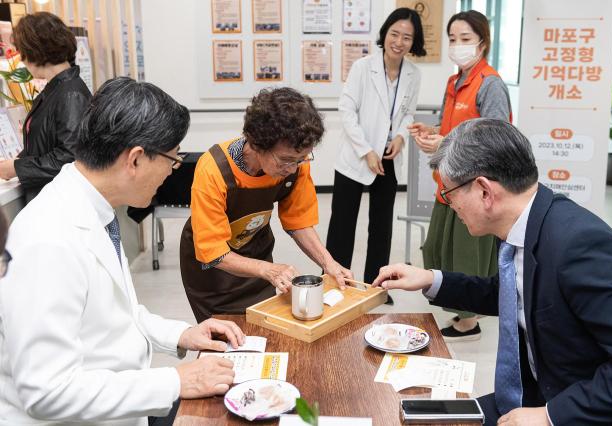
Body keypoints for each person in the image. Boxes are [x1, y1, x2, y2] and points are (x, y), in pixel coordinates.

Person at [0, 77, 246, 425]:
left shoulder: (95, 211)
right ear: (135, 160)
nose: (171, 172)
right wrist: (175, 380)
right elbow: (47, 391)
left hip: (121, 406)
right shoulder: (48, 240)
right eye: (172, 161)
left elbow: (116, 314)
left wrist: (179, 334)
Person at [374, 118, 612, 425]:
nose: (450, 205)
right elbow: (510, 293)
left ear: (485, 191)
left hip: (575, 409)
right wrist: (431, 279)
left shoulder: (579, 245)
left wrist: (550, 416)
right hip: (530, 399)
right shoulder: (526, 226)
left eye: (449, 194)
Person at [180, 87, 351, 320]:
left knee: (262, 327)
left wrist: (329, 263)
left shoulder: (296, 165)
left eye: (301, 159)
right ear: (257, 144)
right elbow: (212, 252)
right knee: (227, 336)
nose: (292, 168)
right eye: (286, 160)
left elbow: (298, 223)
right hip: (214, 276)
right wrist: (268, 270)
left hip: (256, 254)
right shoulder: (214, 169)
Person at [408, 10, 511, 339]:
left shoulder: (490, 84)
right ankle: (459, 307)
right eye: (453, 39)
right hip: (449, 183)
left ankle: (469, 320)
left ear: (483, 43)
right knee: (438, 249)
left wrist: (447, 141)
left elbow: (497, 138)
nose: (458, 45)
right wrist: (433, 133)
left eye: (465, 39)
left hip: (475, 187)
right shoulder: (455, 82)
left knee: (466, 253)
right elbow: (453, 128)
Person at [326, 8, 425, 292]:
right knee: (342, 226)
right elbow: (346, 110)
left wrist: (401, 137)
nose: (399, 41)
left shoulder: (413, 75)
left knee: (381, 228)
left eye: (407, 37)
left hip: (389, 159)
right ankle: (335, 284)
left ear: (413, 42)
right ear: (385, 34)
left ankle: (376, 286)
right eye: (395, 34)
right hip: (356, 158)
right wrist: (366, 150)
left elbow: (408, 113)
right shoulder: (363, 67)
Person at [0, 12, 91, 203]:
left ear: (35, 51)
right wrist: (16, 163)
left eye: (22, 52)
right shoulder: (58, 89)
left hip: (63, 203)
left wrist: (16, 168)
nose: (21, 60)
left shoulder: (70, 94)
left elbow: (71, 157)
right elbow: (46, 145)